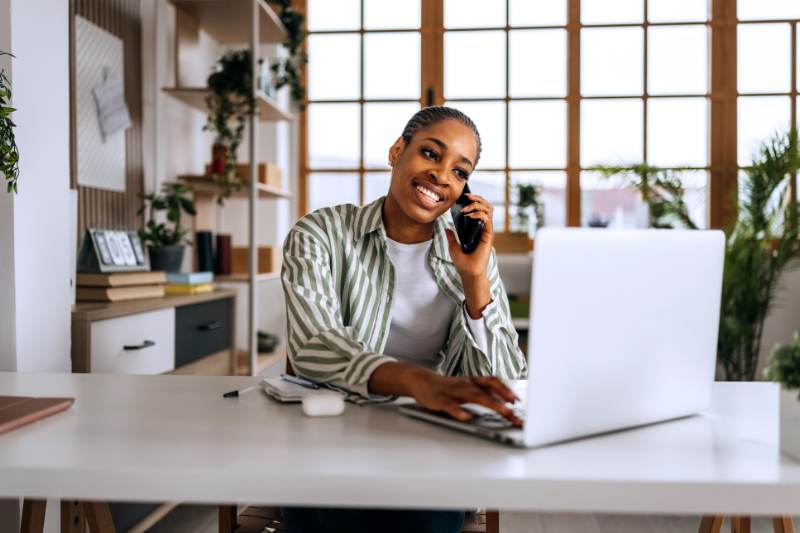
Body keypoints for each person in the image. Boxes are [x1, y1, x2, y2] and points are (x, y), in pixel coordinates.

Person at [280, 106, 527, 533]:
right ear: (397, 150)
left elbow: (504, 384)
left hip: (430, 444)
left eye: (460, 172)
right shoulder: (318, 234)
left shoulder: (472, 261)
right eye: (431, 154)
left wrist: (474, 281)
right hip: (333, 438)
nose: (443, 176)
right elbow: (313, 345)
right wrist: (420, 382)